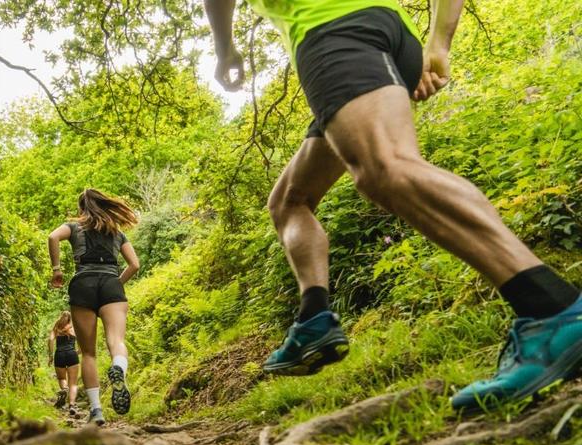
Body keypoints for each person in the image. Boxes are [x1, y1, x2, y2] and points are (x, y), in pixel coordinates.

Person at [203, 0, 582, 410]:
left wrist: (225, 49)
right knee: (290, 201)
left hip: (333, 35)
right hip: (392, 34)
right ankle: (314, 318)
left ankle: (551, 308)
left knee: (386, 167)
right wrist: (437, 44)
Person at [48, 188, 140, 425]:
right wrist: (115, 284)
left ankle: (97, 410)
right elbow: (134, 265)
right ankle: (118, 367)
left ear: (82, 208)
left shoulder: (73, 227)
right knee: (116, 341)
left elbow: (52, 237)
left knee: (88, 353)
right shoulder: (116, 232)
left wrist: (57, 270)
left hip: (83, 285)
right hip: (111, 284)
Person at [48, 310, 80, 414]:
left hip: (59, 355)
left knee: (62, 378)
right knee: (73, 383)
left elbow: (50, 340)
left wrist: (51, 356)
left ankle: (65, 389)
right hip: (72, 354)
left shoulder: (56, 328)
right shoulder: (74, 328)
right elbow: (81, 346)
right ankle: (71, 405)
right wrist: (77, 352)